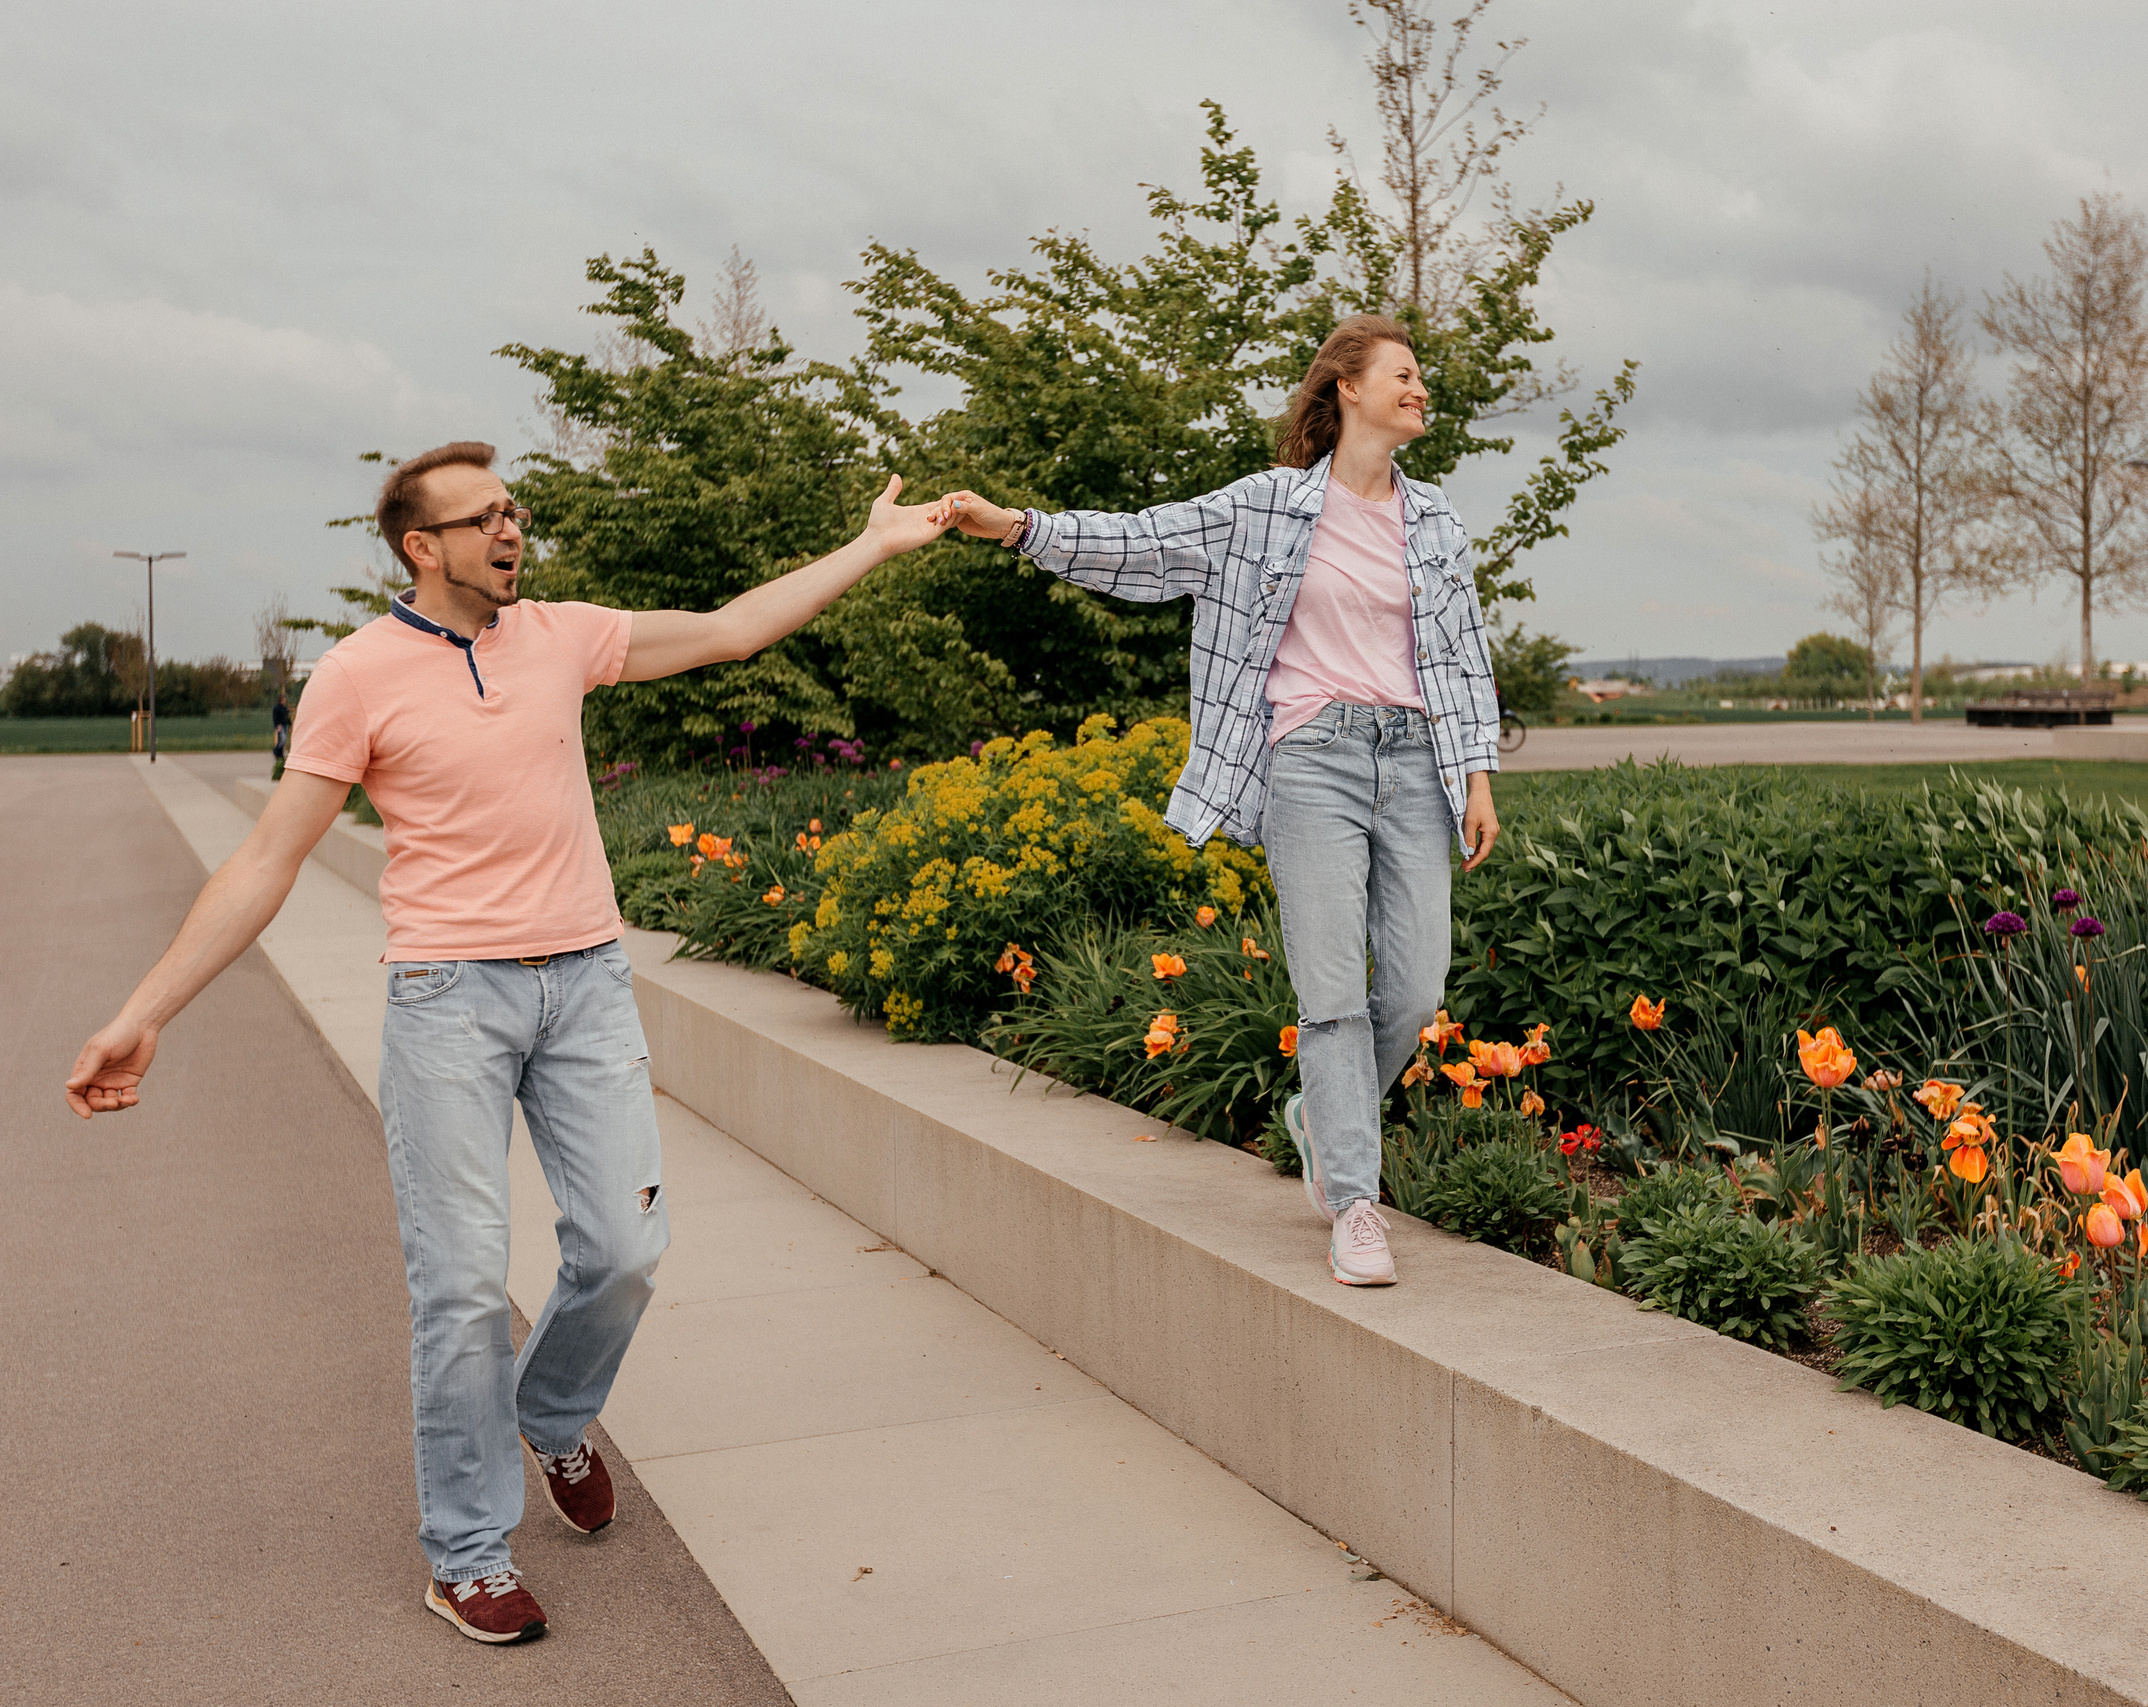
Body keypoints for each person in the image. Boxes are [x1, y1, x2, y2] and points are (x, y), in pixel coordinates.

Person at [65, 441, 948, 1645]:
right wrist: (144, 1012)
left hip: (584, 985)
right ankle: (467, 1554)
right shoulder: (358, 677)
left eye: (514, 511)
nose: (511, 531)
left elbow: (736, 628)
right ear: (420, 548)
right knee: (464, 1286)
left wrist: (870, 546)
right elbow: (268, 860)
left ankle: (552, 1412)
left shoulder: (564, 634)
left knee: (627, 1248)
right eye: (481, 520)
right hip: (449, 1004)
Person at [936, 314, 1502, 1289]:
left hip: (1414, 763)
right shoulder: (1268, 508)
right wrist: (1020, 528)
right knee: (1330, 996)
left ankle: (1321, 1119)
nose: (1419, 389)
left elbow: (1462, 655)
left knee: (1415, 992)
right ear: (1347, 390)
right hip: (1310, 760)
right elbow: (1139, 545)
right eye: (1402, 375)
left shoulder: (1436, 520)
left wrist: (1476, 772)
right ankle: (1355, 1205)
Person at [270, 690, 292, 764]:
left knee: (283, 741)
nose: (285, 701)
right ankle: (276, 751)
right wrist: (277, 725)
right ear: (281, 700)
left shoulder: (284, 708)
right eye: (284, 700)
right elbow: (275, 717)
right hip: (280, 725)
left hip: (285, 725)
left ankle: (280, 754)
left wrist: (290, 725)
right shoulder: (277, 708)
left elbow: (287, 717)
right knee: (282, 739)